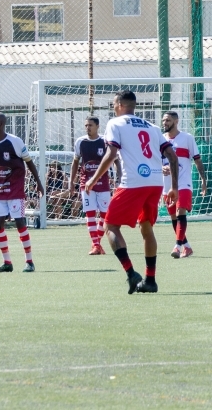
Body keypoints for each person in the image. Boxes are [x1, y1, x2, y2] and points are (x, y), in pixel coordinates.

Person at [86, 90, 178, 294]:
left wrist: (93, 179)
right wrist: (174, 188)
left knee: (110, 226)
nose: (112, 107)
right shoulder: (153, 127)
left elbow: (111, 154)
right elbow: (172, 156)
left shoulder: (114, 123)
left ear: (119, 104)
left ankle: (131, 273)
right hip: (155, 182)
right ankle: (151, 281)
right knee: (146, 228)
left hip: (133, 182)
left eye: (113, 103)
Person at [0, 112, 45, 273]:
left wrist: (38, 183)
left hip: (15, 188)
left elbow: (29, 163)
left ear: (1, 124)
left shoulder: (15, 142)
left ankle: (29, 261)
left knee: (19, 222)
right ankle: (7, 262)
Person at [70, 116, 121, 255]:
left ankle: (96, 243)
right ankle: (96, 245)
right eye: (86, 125)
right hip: (86, 184)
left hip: (103, 184)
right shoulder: (80, 142)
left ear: (97, 126)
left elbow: (116, 161)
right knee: (90, 214)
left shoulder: (105, 141)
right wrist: (71, 182)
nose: (88, 127)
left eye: (90, 125)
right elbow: (75, 163)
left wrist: (119, 177)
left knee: (105, 216)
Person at [161, 111, 207, 258]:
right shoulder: (161, 140)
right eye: (163, 120)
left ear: (176, 121)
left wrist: (203, 180)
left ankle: (177, 246)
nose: (164, 123)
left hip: (184, 183)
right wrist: (162, 168)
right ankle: (187, 246)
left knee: (180, 212)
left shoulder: (187, 138)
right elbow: (155, 160)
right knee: (173, 217)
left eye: (167, 120)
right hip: (167, 185)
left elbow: (197, 160)